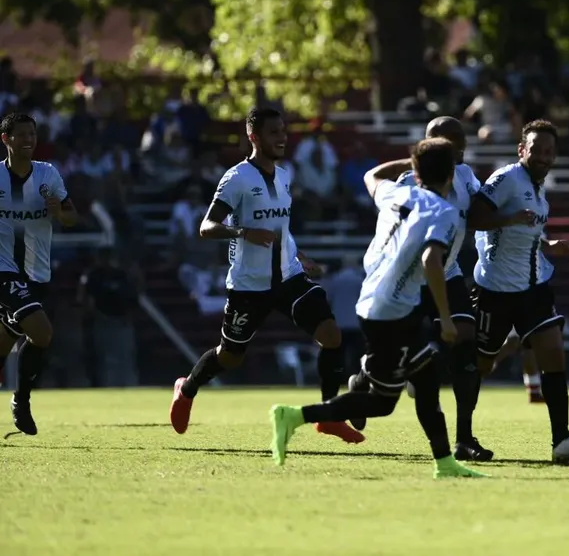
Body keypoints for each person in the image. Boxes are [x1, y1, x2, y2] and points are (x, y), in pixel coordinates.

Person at [269, 138, 486, 480]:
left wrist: (410, 164)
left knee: (426, 379)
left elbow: (371, 175)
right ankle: (293, 416)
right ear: (451, 175)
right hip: (393, 310)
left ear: (416, 172)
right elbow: (432, 260)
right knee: (383, 403)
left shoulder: (397, 194)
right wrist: (445, 318)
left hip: (372, 297)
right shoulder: (443, 211)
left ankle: (445, 463)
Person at [168, 107, 361, 444]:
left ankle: (329, 414)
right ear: (254, 137)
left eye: (284, 131)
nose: (282, 137)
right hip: (250, 285)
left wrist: (300, 256)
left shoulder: (285, 176)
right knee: (230, 356)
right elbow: (207, 227)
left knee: (331, 334)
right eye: (274, 132)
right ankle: (187, 388)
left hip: (288, 278)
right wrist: (244, 232)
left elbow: (280, 230)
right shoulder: (237, 178)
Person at [466, 119, 569, 463]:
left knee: (553, 353)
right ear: (522, 150)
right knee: (480, 365)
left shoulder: (539, 186)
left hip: (533, 287)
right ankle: (463, 437)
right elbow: (475, 218)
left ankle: (561, 440)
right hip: (494, 289)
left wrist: (550, 244)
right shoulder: (507, 178)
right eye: (536, 149)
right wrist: (508, 221)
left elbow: (527, 230)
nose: (542, 156)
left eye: (549, 151)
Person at [369, 116, 495, 461]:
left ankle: (465, 438)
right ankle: (366, 380)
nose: (455, 144)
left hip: (448, 271)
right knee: (390, 367)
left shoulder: (467, 178)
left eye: (459, 138)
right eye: (444, 139)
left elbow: (480, 215)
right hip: (408, 277)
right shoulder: (410, 182)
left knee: (467, 342)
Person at [0, 113, 78, 435]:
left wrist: (58, 212)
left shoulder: (48, 175)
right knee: (42, 332)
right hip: (4, 270)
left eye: (32, 134)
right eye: (21, 135)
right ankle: (21, 400)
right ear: (6, 139)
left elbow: (72, 218)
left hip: (37, 274)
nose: (28, 140)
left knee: (4, 343)